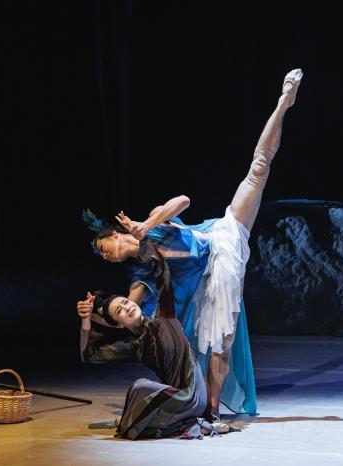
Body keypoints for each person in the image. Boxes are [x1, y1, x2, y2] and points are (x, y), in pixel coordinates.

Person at [81, 68, 303, 418]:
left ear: (114, 235)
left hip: (219, 238)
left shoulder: (152, 222)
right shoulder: (141, 274)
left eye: (104, 250)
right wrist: (92, 314)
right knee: (219, 339)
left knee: (258, 169)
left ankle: (284, 103)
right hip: (207, 280)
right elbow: (126, 314)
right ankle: (212, 409)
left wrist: (147, 224)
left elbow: (183, 200)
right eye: (103, 258)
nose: (106, 257)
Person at [77, 250, 229, 439]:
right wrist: (86, 320)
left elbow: (162, 271)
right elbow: (89, 355)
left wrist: (140, 244)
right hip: (174, 398)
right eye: (120, 311)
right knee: (139, 388)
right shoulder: (134, 345)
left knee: (140, 391)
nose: (127, 307)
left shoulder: (164, 315)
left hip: (194, 394)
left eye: (125, 302)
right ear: (119, 324)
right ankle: (184, 422)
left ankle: (145, 422)